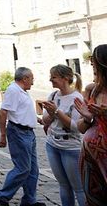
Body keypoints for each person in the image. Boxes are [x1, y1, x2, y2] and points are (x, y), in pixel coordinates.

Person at [0, 67, 45, 206]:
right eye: (32, 79)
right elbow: (3, 112)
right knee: (23, 168)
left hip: (28, 133)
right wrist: (3, 135)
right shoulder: (13, 90)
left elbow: (23, 110)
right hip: (19, 132)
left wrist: (37, 119)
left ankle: (29, 200)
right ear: (25, 78)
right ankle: (2, 195)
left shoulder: (23, 91)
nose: (33, 83)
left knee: (33, 170)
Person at [40, 64, 85, 206]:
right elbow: (45, 120)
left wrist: (57, 111)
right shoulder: (53, 95)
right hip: (52, 144)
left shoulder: (76, 98)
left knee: (78, 187)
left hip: (71, 147)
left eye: (53, 77)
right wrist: (51, 112)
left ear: (65, 78)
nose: (50, 80)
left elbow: (75, 127)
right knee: (63, 185)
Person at [75, 43, 107, 206]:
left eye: (94, 61)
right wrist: (88, 118)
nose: (92, 65)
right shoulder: (92, 90)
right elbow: (81, 128)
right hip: (91, 157)